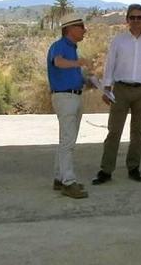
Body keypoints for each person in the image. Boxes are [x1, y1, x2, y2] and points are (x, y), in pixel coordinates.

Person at [92, 4, 141, 185]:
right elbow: (110, 64)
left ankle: (134, 167)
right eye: (133, 17)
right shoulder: (118, 41)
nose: (136, 21)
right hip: (121, 90)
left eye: (139, 17)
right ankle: (106, 170)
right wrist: (106, 88)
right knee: (114, 131)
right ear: (127, 20)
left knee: (137, 133)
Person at [48, 14, 90, 199]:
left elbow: (70, 72)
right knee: (68, 142)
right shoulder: (59, 46)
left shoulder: (72, 49)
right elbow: (57, 62)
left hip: (73, 96)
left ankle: (60, 178)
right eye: (81, 26)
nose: (84, 29)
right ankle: (68, 182)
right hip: (65, 98)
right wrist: (77, 63)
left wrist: (87, 80)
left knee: (65, 140)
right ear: (70, 29)